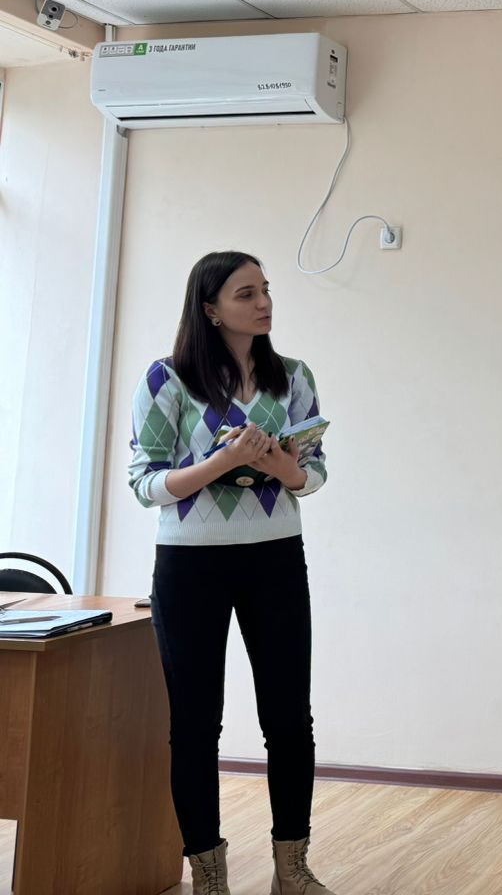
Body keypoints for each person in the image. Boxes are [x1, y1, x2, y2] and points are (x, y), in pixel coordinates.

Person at [129, 251, 335, 895]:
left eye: (265, 290)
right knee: (195, 724)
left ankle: (292, 870)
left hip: (275, 558)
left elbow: (314, 474)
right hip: (189, 566)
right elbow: (145, 482)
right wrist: (221, 463)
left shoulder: (293, 377)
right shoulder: (167, 378)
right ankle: (209, 878)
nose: (264, 303)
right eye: (246, 294)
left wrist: (281, 467)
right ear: (210, 308)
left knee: (289, 718)